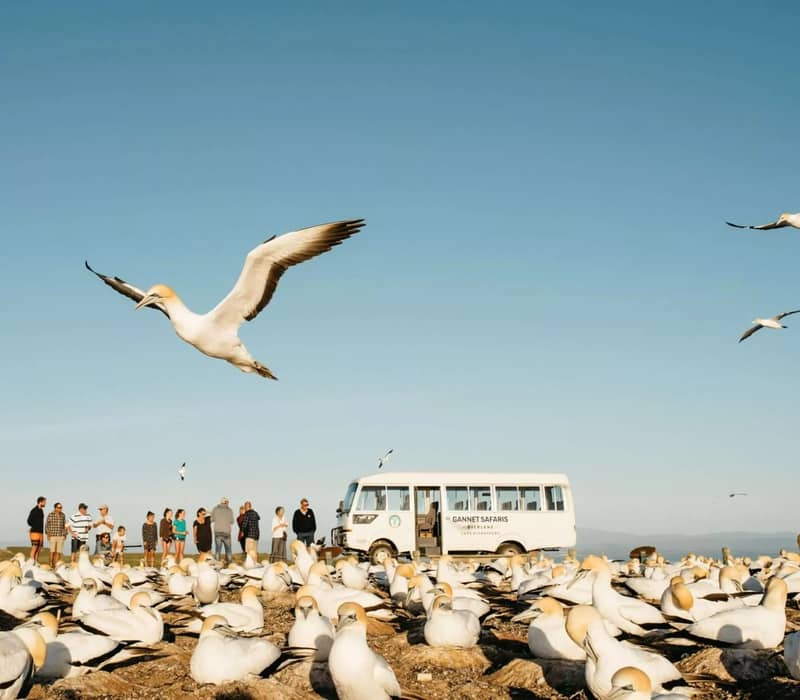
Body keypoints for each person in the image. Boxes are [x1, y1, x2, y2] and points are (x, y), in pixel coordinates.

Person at [211, 497, 234, 564]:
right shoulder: (230, 510)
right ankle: (230, 566)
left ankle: (217, 567)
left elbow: (211, 520)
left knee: (218, 551)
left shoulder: (215, 509)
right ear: (226, 502)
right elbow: (232, 521)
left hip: (217, 532)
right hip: (227, 533)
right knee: (228, 551)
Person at [45, 502, 67, 567]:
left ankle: (57, 565)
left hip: (61, 535)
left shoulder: (63, 515)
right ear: (55, 508)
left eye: (61, 507)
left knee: (59, 552)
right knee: (52, 551)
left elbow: (64, 525)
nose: (60, 509)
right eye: (59, 507)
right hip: (52, 535)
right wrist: (48, 534)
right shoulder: (50, 515)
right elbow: (47, 525)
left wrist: (65, 534)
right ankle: (51, 564)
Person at [27, 496, 46, 563]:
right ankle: (31, 563)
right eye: (44, 502)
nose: (45, 503)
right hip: (35, 532)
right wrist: (34, 526)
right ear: (40, 502)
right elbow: (29, 521)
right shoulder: (34, 510)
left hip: (40, 532)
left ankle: (36, 563)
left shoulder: (41, 510)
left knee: (38, 549)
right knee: (34, 548)